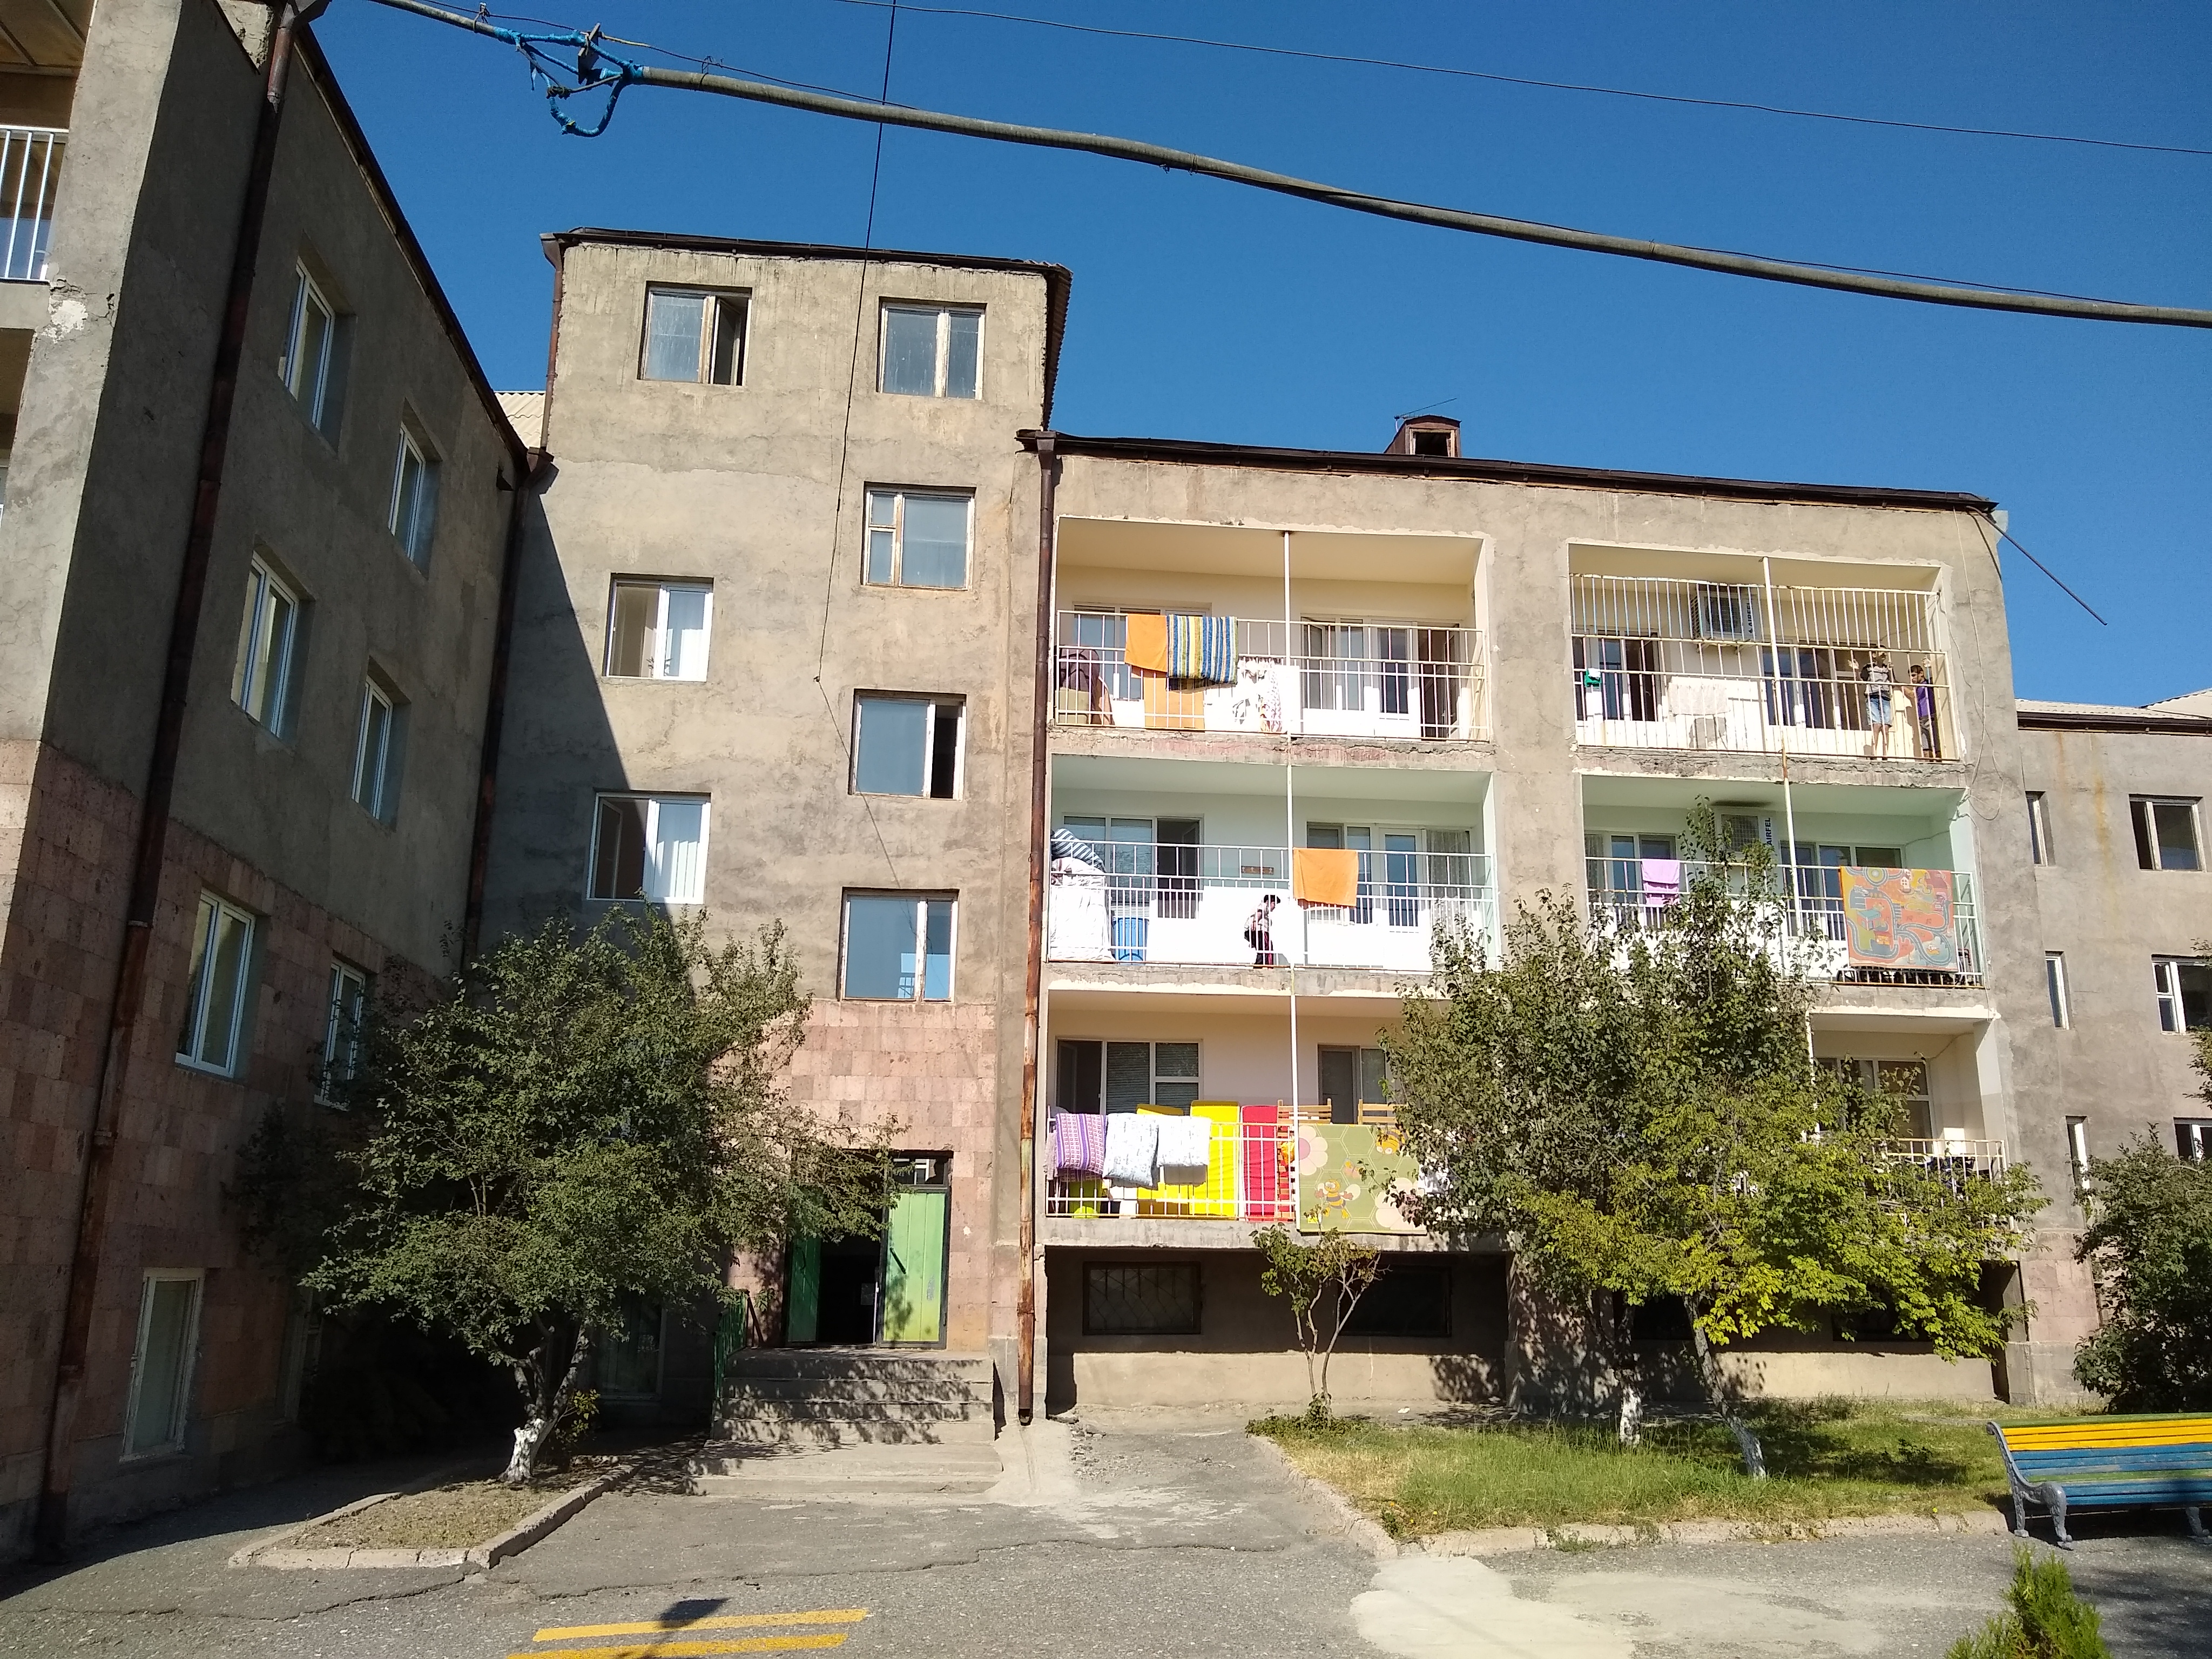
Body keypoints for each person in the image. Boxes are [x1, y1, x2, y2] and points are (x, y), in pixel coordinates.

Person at [1860, 651, 1895, 759]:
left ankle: (1885, 755)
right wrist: (1856, 670)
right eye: (1881, 651)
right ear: (1874, 655)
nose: (1884, 654)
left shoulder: (1887, 668)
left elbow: (1893, 683)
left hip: (1884, 697)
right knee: (1877, 725)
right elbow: (1862, 680)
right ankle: (1874, 754)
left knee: (1885, 727)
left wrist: (1890, 671)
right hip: (1873, 696)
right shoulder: (1869, 667)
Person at [1910, 663, 1940, 760]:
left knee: (1936, 745)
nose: (1912, 679)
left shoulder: (1927, 684)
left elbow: (1936, 678)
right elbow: (1911, 694)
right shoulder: (1918, 688)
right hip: (1922, 719)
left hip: (1930, 717)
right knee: (1926, 748)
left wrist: (1930, 668)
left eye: (1914, 675)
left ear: (1921, 674)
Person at [1245, 892, 1282, 967]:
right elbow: (1259, 912)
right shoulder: (1264, 906)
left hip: (1257, 932)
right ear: (1268, 902)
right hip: (1259, 931)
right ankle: (1262, 966)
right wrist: (1255, 921)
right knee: (1266, 948)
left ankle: (1261, 965)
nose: (1274, 907)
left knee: (1265, 948)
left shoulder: (1266, 916)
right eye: (1274, 904)